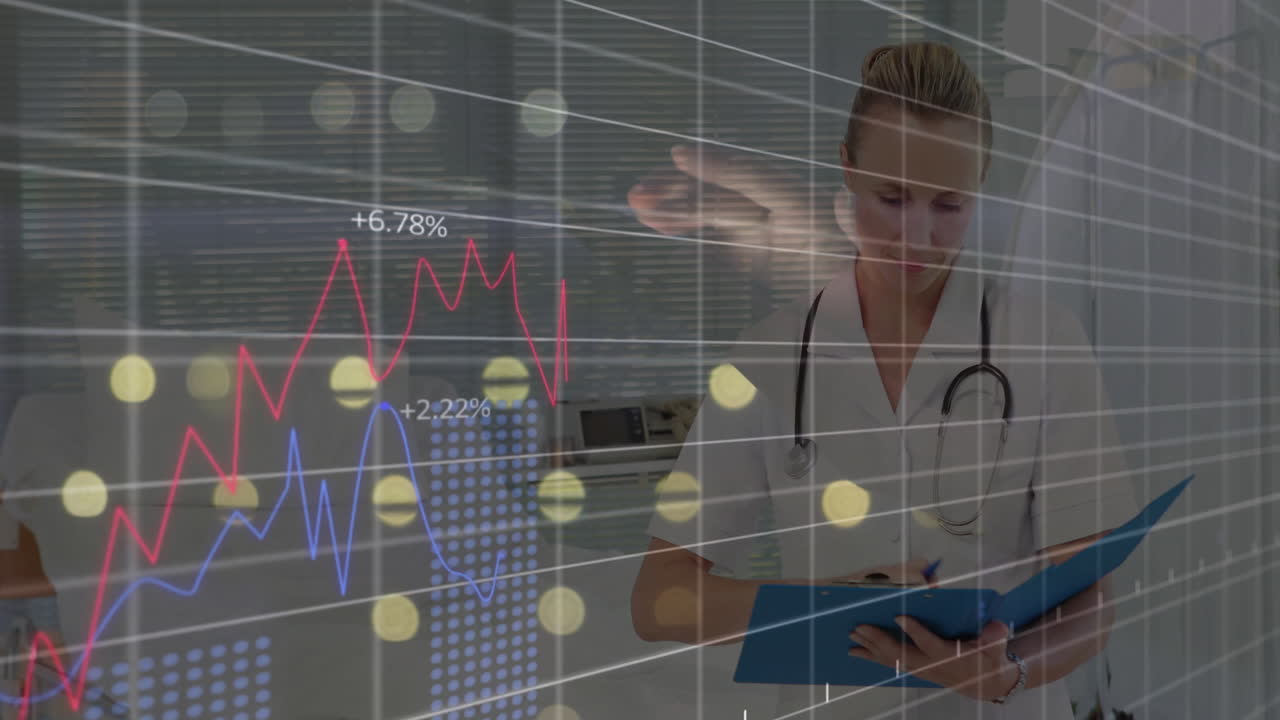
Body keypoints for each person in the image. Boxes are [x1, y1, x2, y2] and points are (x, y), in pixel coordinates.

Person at [627, 42, 1140, 719]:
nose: (916, 237)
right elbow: (658, 599)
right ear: (847, 168)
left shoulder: (1045, 342)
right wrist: (830, 603)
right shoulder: (768, 356)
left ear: (981, 183)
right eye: (891, 198)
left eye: (949, 205)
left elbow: (1089, 598)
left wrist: (1007, 672)